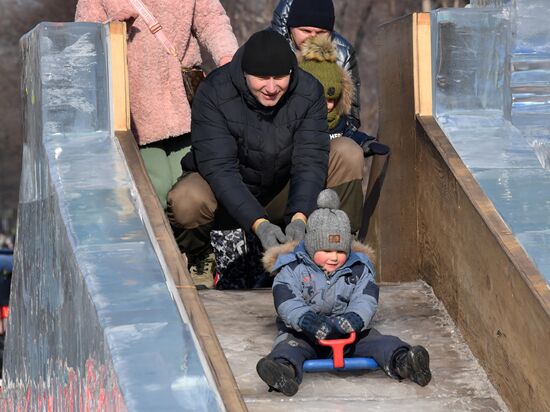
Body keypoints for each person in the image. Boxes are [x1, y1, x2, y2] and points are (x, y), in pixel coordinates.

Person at [167, 31, 364, 289]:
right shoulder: (214, 92)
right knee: (186, 199)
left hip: (284, 187)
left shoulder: (308, 91)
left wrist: (300, 217)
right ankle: (201, 257)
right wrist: (258, 224)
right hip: (227, 194)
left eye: (279, 78)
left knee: (346, 152)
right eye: (261, 78)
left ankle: (336, 248)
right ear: (245, 73)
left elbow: (309, 161)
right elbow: (220, 169)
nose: (271, 88)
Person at [257, 189, 432, 396]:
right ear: (312, 247)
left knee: (379, 342)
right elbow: (286, 301)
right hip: (305, 333)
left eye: (340, 251)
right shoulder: (292, 268)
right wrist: (307, 321)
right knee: (289, 347)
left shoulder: (359, 268)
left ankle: (404, 362)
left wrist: (355, 319)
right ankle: (283, 371)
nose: (334, 257)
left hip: (348, 332)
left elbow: (366, 298)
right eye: (327, 251)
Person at [75, 0, 239, 209]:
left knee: (197, 191)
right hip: (134, 116)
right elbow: (85, 43)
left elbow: (211, 20)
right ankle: (165, 242)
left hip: (187, 106)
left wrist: (227, 57)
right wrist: (113, 31)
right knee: (155, 195)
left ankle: (190, 242)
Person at [271, 0, 361, 131]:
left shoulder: (344, 52)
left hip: (330, 132)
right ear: (291, 28)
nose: (312, 38)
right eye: (305, 31)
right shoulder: (269, 45)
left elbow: (351, 112)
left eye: (321, 33)